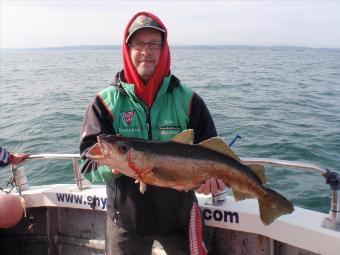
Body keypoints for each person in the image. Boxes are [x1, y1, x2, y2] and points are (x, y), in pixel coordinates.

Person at [80, 11, 225, 255]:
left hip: (180, 220)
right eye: (139, 43)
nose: (146, 51)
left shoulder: (189, 101)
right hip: (125, 224)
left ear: (164, 48)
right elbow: (87, 167)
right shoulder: (104, 103)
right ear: (128, 48)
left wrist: (213, 183)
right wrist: (114, 165)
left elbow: (213, 154)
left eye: (154, 44)